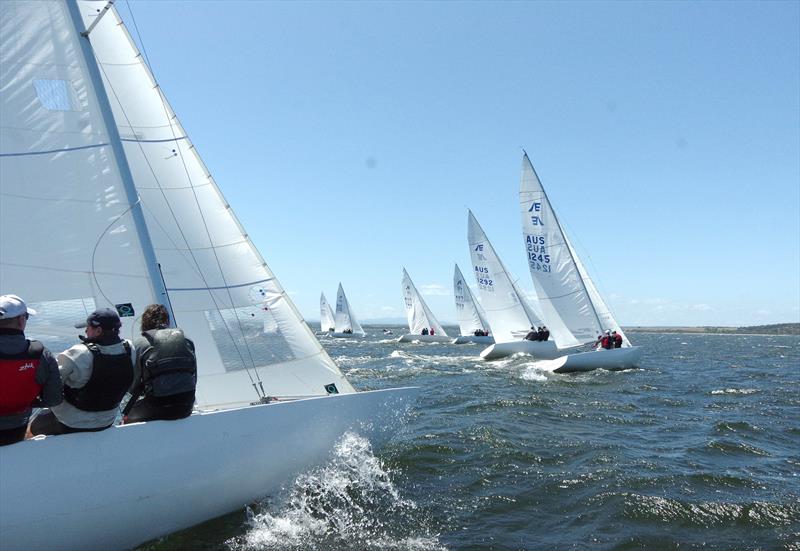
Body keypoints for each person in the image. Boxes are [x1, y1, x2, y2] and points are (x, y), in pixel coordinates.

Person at [30, 308, 135, 436]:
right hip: (107, 420)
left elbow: (51, 384)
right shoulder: (129, 349)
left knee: (33, 427)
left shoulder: (79, 353)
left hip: (72, 422)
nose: (85, 331)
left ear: (98, 330)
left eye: (88, 327)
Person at [0, 295, 63, 446]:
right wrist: (28, 402)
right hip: (16, 427)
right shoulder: (41, 354)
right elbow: (54, 399)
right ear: (21, 320)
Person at [125, 304, 196, 423]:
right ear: (167, 321)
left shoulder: (139, 344)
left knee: (126, 416)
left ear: (144, 322)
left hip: (156, 407)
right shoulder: (186, 341)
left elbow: (133, 385)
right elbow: (193, 376)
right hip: (186, 406)